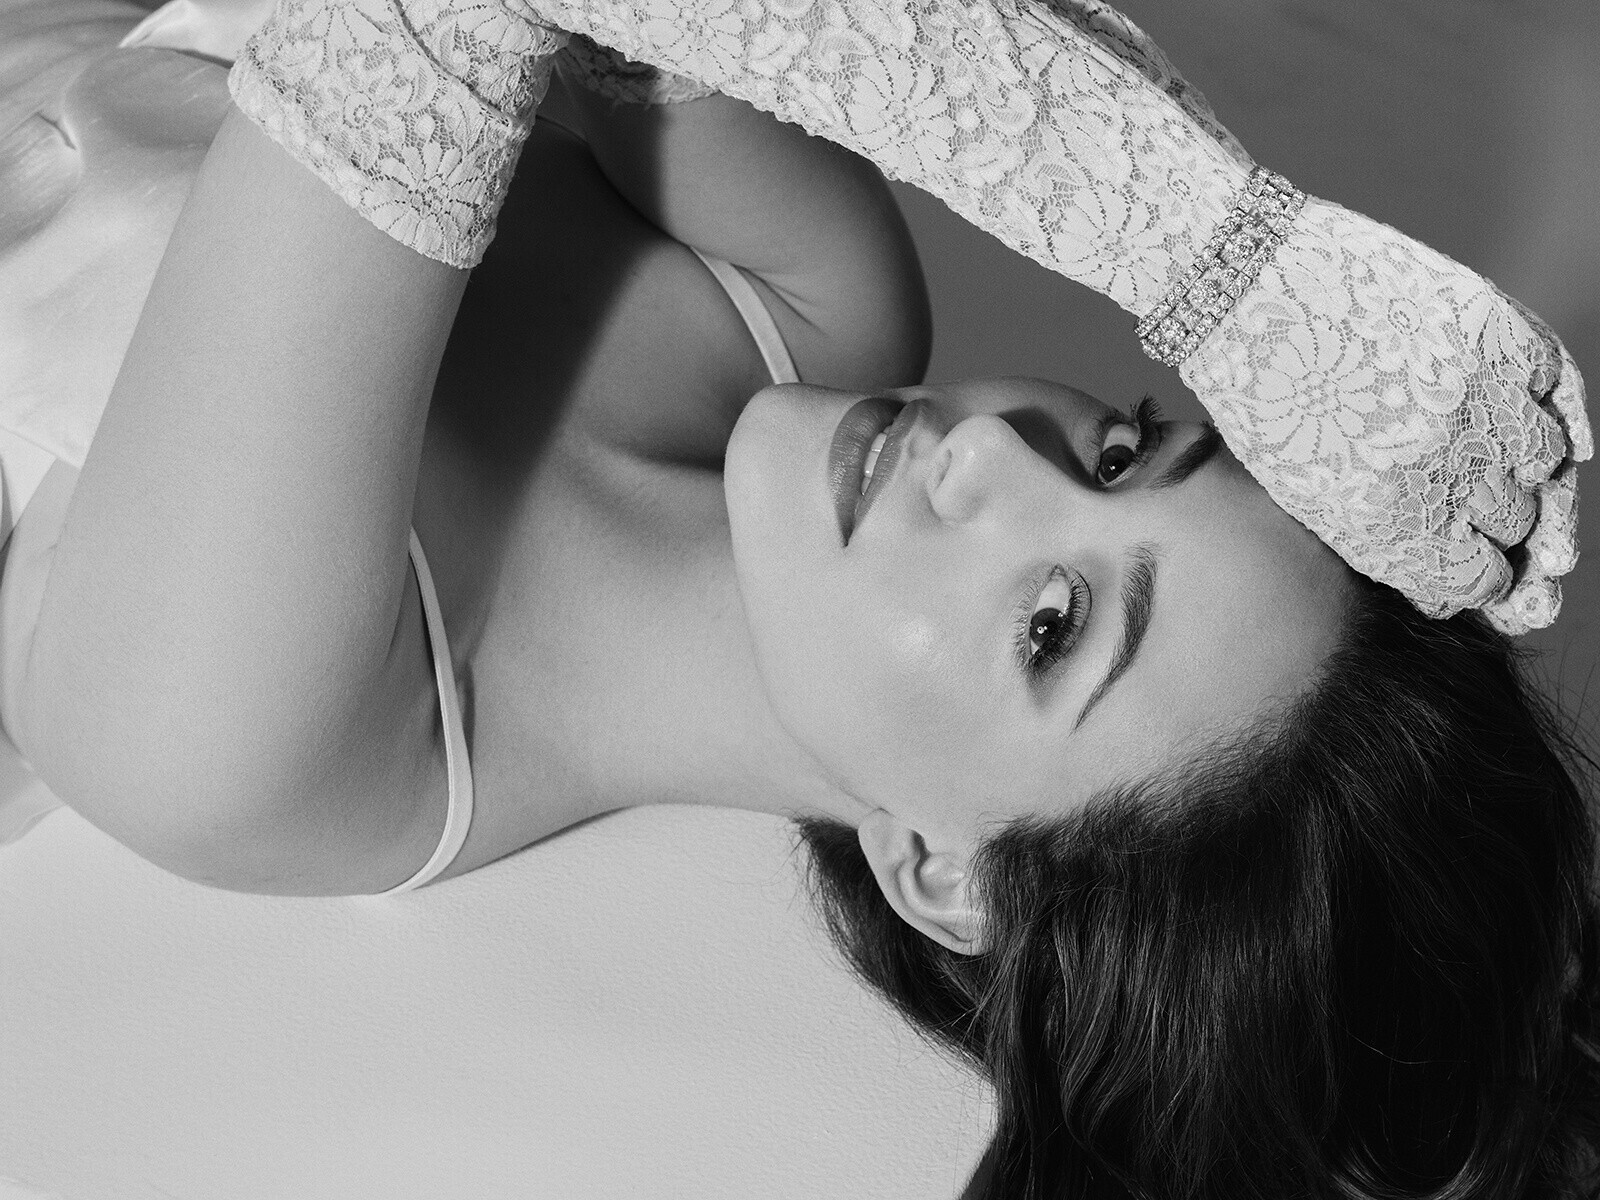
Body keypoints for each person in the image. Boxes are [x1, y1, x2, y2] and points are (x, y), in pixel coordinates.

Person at [0, 0, 1594, 1194]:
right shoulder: (814, 308)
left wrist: (1208, 241)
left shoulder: (243, 736)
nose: (996, 455)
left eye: (1052, 628)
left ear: (943, 870)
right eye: (1121, 452)